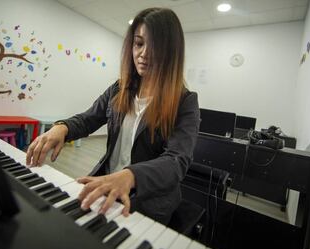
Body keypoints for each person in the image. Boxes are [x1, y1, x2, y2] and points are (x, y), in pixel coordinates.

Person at [26, 7, 200, 225]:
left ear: (171, 51)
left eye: (153, 46)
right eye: (138, 43)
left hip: (149, 203)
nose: (143, 53)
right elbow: (88, 119)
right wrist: (62, 127)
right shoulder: (120, 88)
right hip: (106, 184)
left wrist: (130, 176)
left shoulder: (186, 101)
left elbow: (177, 161)